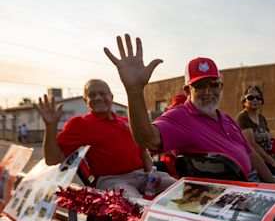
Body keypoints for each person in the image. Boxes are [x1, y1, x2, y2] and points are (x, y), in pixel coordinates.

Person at [103, 35, 275, 206]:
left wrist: (274, 190)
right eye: (200, 86)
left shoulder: (226, 118)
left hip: (252, 183)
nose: (208, 91)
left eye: (213, 84)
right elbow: (146, 139)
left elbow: (251, 154)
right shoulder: (181, 117)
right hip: (231, 198)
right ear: (187, 91)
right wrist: (134, 91)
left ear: (221, 86)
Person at [35, 80, 175, 199]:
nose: (97, 98)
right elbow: (52, 159)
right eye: (92, 95)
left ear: (111, 97)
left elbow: (142, 152)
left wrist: (151, 173)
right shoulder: (80, 124)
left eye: (102, 93)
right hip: (111, 180)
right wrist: (50, 126)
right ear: (85, 100)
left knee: (179, 188)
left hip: (141, 175)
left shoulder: (126, 121)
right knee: (136, 204)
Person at [236, 85, 275, 176]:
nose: (255, 100)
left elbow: (270, 139)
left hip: (265, 159)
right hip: (252, 161)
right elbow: (252, 145)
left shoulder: (261, 118)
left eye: (258, 97)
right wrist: (272, 162)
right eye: (250, 97)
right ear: (244, 102)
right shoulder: (243, 118)